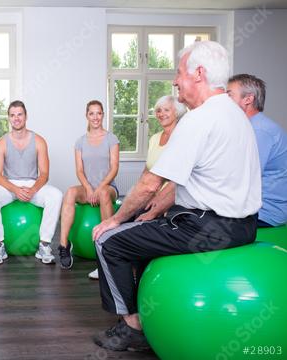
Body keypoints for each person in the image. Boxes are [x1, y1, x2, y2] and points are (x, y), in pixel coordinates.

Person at [90, 40, 261, 352]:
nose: (175, 80)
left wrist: (114, 219)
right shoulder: (236, 115)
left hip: (207, 228)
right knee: (143, 228)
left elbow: (148, 184)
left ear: (198, 74)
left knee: (107, 241)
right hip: (245, 226)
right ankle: (149, 313)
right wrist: (152, 213)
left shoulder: (198, 119)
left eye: (179, 73)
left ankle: (133, 327)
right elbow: (198, 181)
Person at [87, 95, 186, 280]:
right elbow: (147, 169)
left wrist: (157, 201)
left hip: (170, 197)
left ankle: (140, 273)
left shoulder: (182, 138)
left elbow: (177, 179)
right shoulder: (155, 138)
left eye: (166, 110)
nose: (161, 113)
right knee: (127, 216)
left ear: (176, 112)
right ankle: (114, 267)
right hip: (150, 192)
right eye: (158, 110)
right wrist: (135, 192)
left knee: (140, 221)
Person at [0, 100, 63, 265]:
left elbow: (45, 174)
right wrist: (15, 189)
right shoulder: (1, 143)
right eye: (12, 115)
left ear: (26, 116)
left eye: (19, 114)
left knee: (56, 195)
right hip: (9, 186)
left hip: (32, 185)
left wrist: (33, 189)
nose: (16, 118)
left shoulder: (39, 141)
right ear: (9, 118)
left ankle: (44, 244)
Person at [58, 100, 119, 270]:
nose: (95, 117)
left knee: (105, 193)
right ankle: (64, 246)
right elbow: (79, 170)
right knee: (70, 192)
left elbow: (114, 168)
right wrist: (89, 188)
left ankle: (107, 248)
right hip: (88, 189)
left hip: (108, 188)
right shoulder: (80, 141)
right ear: (87, 116)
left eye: (99, 113)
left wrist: (99, 189)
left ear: (103, 115)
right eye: (91, 113)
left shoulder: (111, 139)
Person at [227, 74, 287, 227]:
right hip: (250, 208)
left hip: (266, 212)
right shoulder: (247, 127)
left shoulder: (260, 130)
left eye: (229, 94)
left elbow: (242, 177)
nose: (224, 100)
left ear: (248, 99)